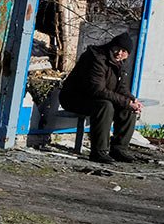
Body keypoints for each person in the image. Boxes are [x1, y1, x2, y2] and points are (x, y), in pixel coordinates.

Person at [59, 31, 143, 164]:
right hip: (74, 97)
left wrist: (132, 100)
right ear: (112, 45)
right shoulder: (96, 58)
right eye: (118, 48)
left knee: (128, 110)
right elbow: (97, 89)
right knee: (105, 106)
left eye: (124, 51)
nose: (119, 53)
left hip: (96, 98)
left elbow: (121, 87)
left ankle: (119, 149)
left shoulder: (119, 62)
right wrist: (126, 101)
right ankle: (99, 152)